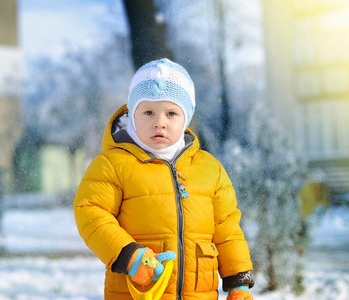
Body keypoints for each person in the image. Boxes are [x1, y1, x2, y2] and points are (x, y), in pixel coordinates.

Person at [74, 58, 254, 300]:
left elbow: (227, 227)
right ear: (132, 114)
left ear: (186, 118)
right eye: (148, 112)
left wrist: (238, 280)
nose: (160, 122)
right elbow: (90, 211)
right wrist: (129, 255)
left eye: (171, 113)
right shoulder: (112, 165)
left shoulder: (209, 168)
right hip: (139, 291)